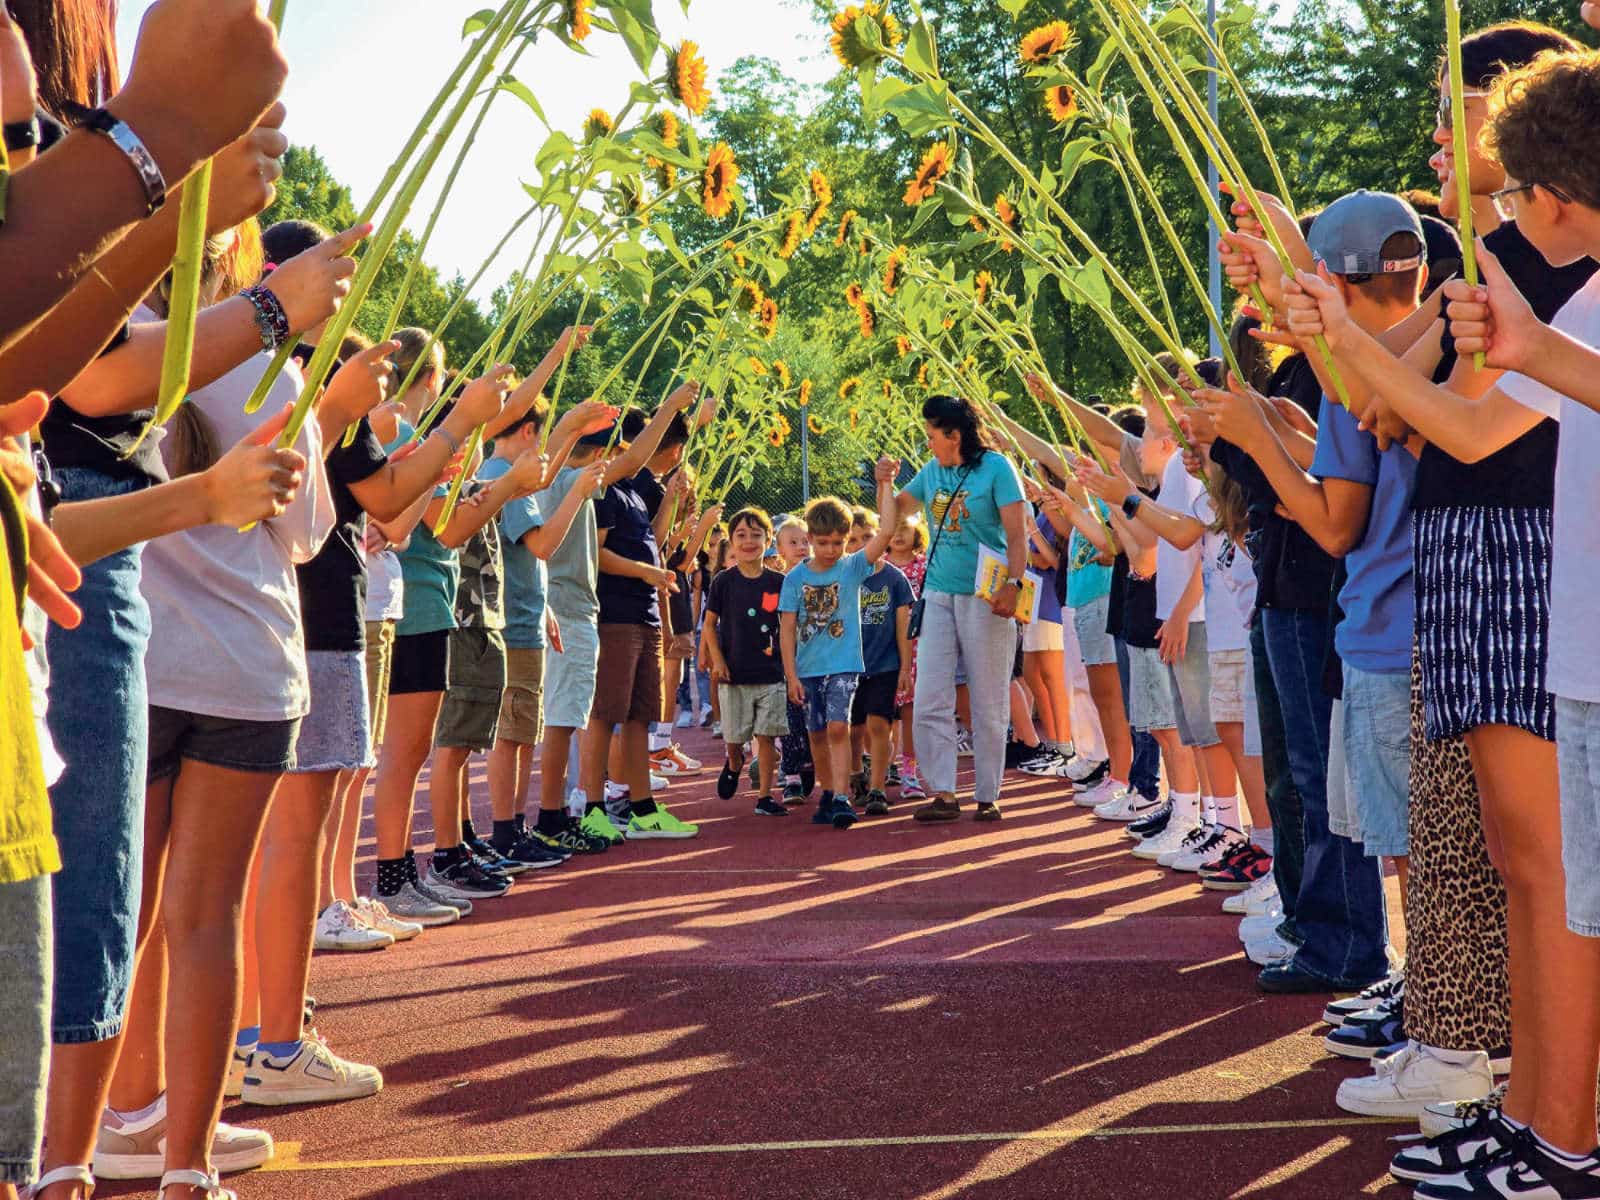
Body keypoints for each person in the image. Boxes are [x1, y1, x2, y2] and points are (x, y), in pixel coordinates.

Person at [1283, 46, 1600, 1190]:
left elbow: (1446, 423)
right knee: (1528, 864)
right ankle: (1535, 1116)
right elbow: (1376, 399)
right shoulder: (1512, 261)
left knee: (1546, 868)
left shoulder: (1549, 267)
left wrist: (1323, 316)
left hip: (1531, 566)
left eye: (1456, 125)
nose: (1436, 151)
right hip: (1491, 565)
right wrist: (1314, 312)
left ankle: (1559, 1128)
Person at [887, 395, 1027, 824]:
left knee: (987, 697)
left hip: (986, 596)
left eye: (932, 436)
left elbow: (1018, 535)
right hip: (939, 595)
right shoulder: (931, 471)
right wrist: (883, 483)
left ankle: (988, 794)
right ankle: (944, 792)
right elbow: (896, 513)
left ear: (954, 435)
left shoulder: (997, 468)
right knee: (930, 695)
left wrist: (1014, 584)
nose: (927, 444)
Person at [579, 400, 706, 842]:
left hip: (644, 614)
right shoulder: (601, 491)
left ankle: (641, 806)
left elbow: (650, 538)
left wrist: (671, 506)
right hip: (615, 615)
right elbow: (598, 555)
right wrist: (646, 573)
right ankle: (593, 804)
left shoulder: (632, 490)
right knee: (605, 714)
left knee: (639, 716)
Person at [779, 471, 898, 830]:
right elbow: (786, 630)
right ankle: (828, 792)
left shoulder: (852, 566)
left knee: (837, 727)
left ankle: (843, 795)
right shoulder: (795, 579)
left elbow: (887, 532)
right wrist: (791, 676)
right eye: (824, 543)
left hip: (845, 664)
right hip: (808, 668)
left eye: (838, 543)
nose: (831, 550)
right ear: (810, 539)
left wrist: (886, 484)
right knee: (816, 732)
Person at [703, 507, 790, 815]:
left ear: (768, 540)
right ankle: (734, 759)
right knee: (735, 735)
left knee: (767, 737)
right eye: (741, 535)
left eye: (757, 535)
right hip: (734, 673)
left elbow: (789, 626)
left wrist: (790, 668)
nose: (749, 541)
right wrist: (717, 660)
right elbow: (710, 625)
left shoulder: (780, 582)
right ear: (731, 540)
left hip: (771, 672)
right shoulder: (724, 582)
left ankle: (765, 796)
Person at [845, 506, 913, 816]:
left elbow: (903, 628)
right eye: (853, 539)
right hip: (848, 667)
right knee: (853, 729)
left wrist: (904, 667)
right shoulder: (843, 575)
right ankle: (856, 775)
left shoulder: (894, 579)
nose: (860, 544)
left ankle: (877, 788)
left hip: (884, 666)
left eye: (868, 537)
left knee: (879, 724)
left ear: (881, 538)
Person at [884, 510, 928, 799]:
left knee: (910, 710)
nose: (899, 534)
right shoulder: (878, 566)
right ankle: (884, 764)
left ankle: (910, 772)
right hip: (883, 647)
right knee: (883, 712)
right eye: (893, 527)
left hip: (916, 647)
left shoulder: (925, 567)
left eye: (905, 527)